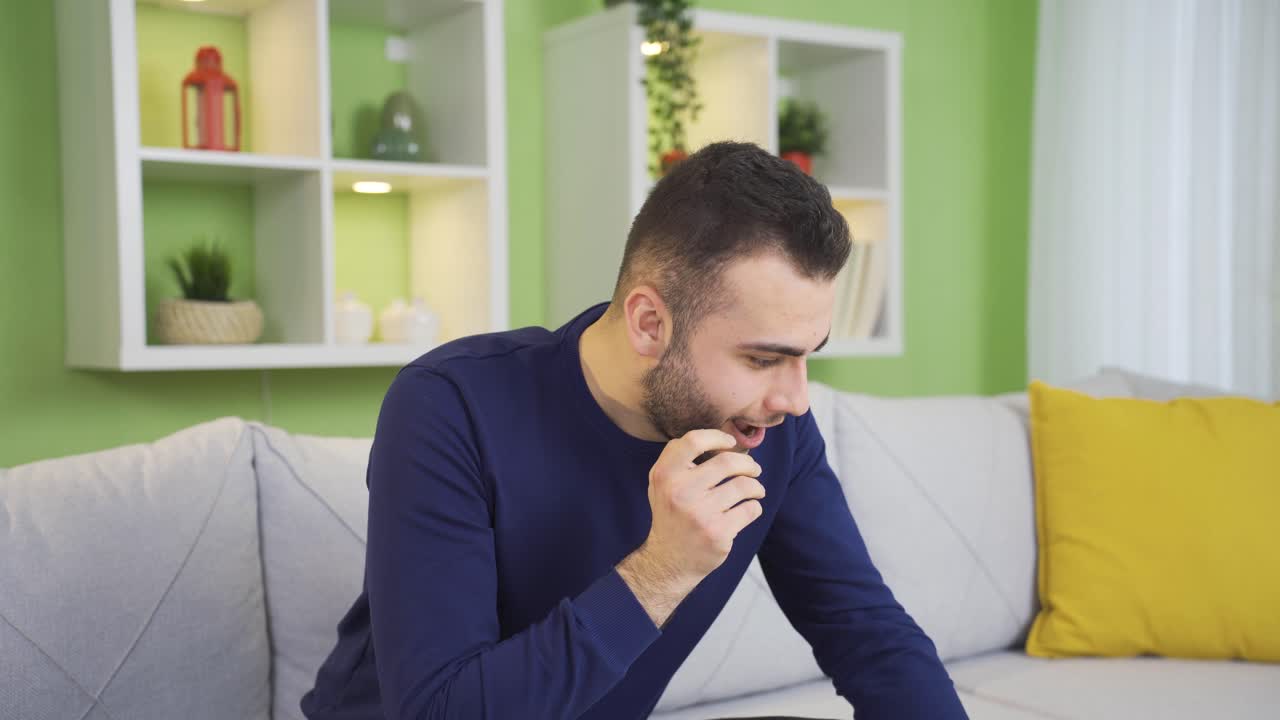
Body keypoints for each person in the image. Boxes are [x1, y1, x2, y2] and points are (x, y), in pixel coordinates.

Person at [300, 141, 967, 719]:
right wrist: (660, 572)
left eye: (807, 354)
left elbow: (868, 634)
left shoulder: (769, 432)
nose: (795, 398)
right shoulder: (450, 406)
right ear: (650, 323)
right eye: (763, 358)